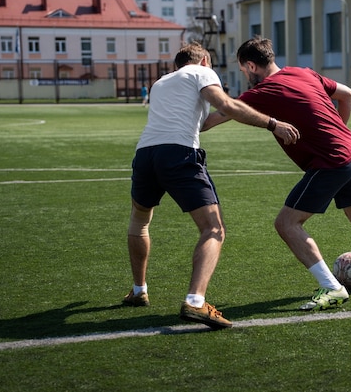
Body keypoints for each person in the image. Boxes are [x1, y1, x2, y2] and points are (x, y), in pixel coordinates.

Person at [203, 36, 351, 311]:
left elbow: (215, 118)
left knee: (286, 224)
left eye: (242, 69)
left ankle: (332, 288)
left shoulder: (261, 92)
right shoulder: (302, 72)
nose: (244, 75)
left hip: (331, 162)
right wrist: (337, 131)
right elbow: (348, 94)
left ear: (251, 65)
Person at [122, 42, 300, 329]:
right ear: (204, 60)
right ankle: (195, 301)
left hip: (145, 155)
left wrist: (242, 108)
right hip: (178, 154)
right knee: (213, 229)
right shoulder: (202, 73)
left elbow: (203, 122)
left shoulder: (161, 83)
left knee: (139, 223)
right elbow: (226, 104)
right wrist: (272, 123)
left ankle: (139, 291)